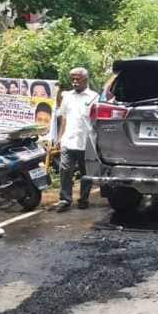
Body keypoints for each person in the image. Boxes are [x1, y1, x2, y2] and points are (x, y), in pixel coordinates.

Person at [54, 68, 98, 212]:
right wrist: (60, 137)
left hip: (87, 141)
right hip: (69, 139)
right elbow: (64, 117)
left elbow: (97, 121)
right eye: (72, 79)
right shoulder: (67, 96)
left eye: (77, 79)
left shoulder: (94, 97)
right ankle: (65, 199)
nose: (74, 82)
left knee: (86, 173)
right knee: (65, 170)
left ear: (85, 80)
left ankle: (84, 199)